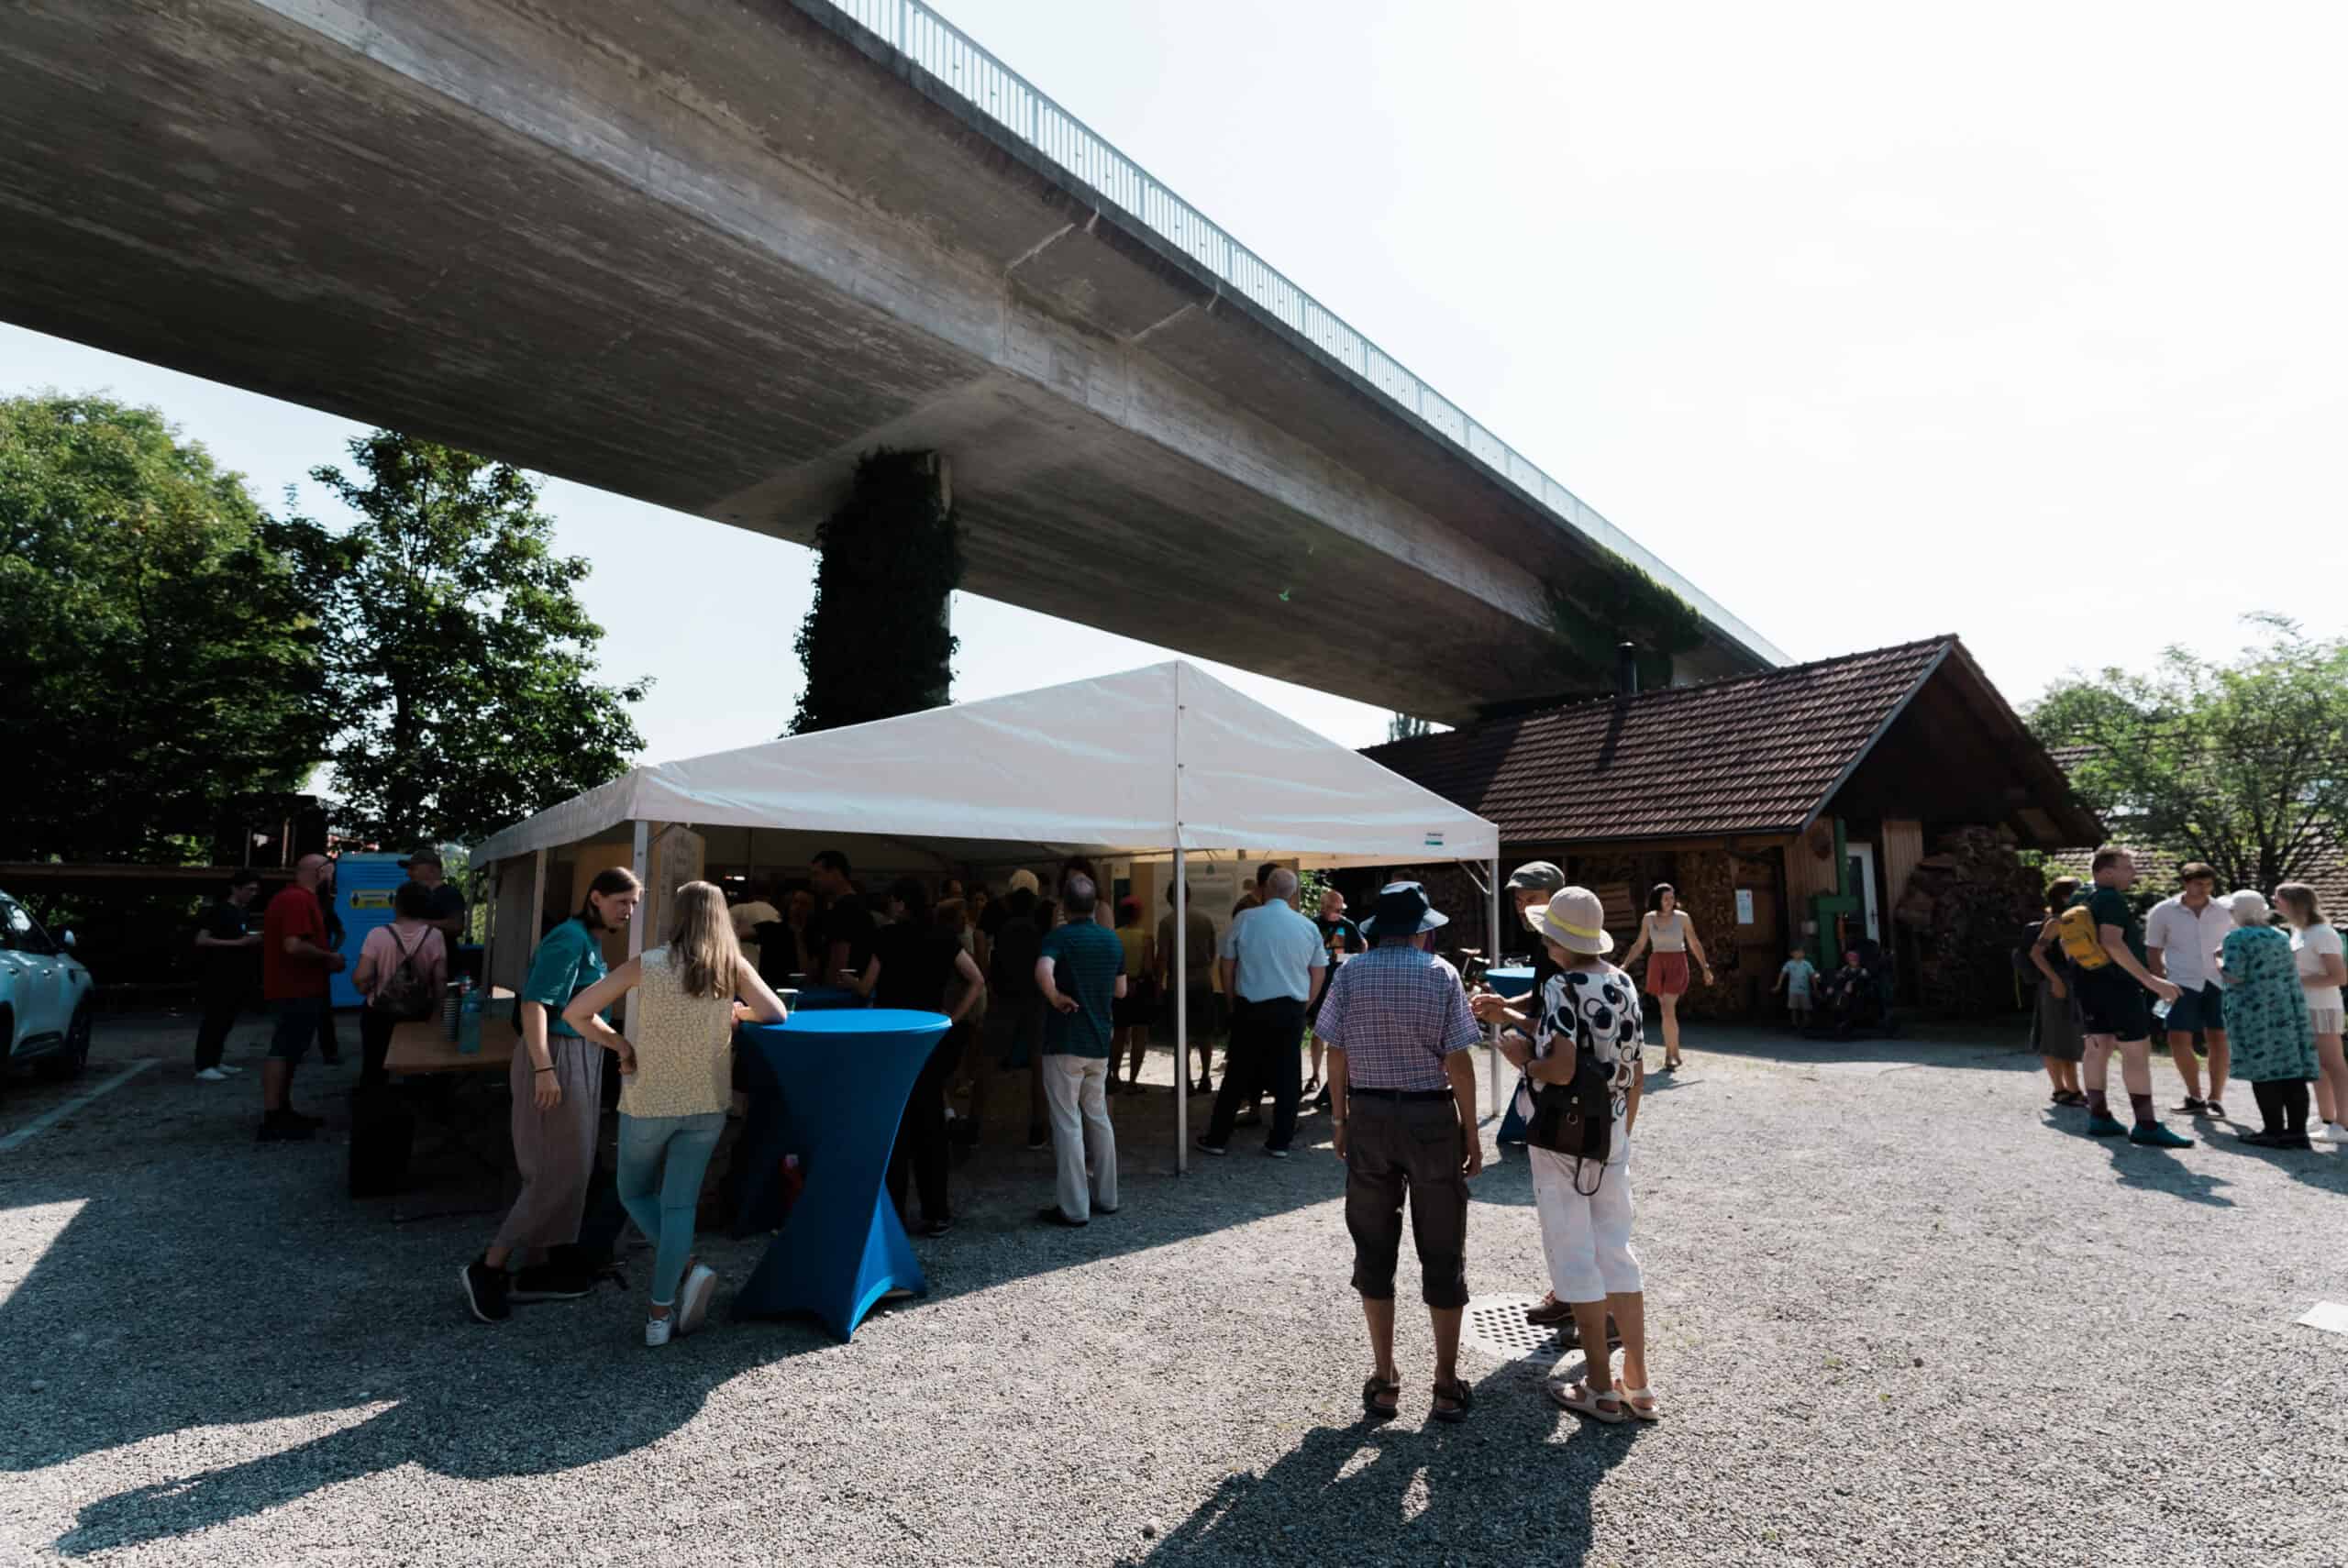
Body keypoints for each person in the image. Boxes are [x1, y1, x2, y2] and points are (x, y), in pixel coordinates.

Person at [561, 880, 790, 1344]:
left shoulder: (647, 964)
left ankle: (689, 1266)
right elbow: (776, 1013)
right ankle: (659, 1316)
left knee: (633, 1192)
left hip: (648, 1102)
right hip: (707, 1104)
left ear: (678, 916)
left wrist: (620, 1045)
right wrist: (736, 1012)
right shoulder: (731, 966)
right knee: (680, 1204)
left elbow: (576, 1014)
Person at [1316, 882, 1483, 1424]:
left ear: (1375, 929)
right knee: (1441, 1245)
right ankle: (1445, 1382)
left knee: (1372, 1242)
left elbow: (1335, 1053)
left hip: (1368, 1116)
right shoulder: (1441, 975)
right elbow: (1459, 1062)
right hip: (1430, 1117)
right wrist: (1472, 1133)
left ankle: (1385, 1378)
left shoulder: (1350, 974)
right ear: (1420, 930)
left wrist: (1339, 1118)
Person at [1491, 887, 1658, 1423]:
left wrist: (1522, 1059)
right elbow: (1632, 1068)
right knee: (1617, 1251)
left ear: (1554, 937)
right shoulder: (1623, 983)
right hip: (1610, 1132)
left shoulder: (1562, 985)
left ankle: (1599, 1386)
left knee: (1575, 1254)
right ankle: (1638, 1381)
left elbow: (1561, 1066)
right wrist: (1620, 1133)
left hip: (1563, 1136)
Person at [461, 866, 643, 1324]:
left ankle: (538, 1267)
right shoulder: (569, 937)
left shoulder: (589, 940)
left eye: (633, 904)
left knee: (569, 1167)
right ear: (596, 898)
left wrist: (619, 1044)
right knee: (556, 1172)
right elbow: (534, 1005)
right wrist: (544, 1068)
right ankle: (489, 1267)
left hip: (575, 1056)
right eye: (623, 902)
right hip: (556, 1058)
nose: (629, 911)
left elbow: (580, 1012)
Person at [851, 878, 984, 1236]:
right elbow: (976, 979)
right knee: (930, 1125)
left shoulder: (887, 937)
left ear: (900, 904)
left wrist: (847, 983)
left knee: (894, 1126)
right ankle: (936, 1212)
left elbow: (866, 986)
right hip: (929, 1036)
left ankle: (893, 1212)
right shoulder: (944, 937)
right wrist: (953, 1018)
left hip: (890, 1039)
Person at [2062, 848, 2188, 1146]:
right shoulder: (2111, 898)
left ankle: (2099, 1117)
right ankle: (2145, 1124)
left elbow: (2067, 943)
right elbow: (2112, 943)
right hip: (2119, 986)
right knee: (2136, 1052)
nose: (2133, 873)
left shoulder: (2081, 895)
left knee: (2096, 1047)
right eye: (2127, 867)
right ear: (2107, 872)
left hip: (2087, 982)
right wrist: (2152, 981)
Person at [1199, 869, 1324, 1159]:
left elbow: (1227, 965)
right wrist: (1304, 1004)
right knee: (1289, 1074)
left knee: (1237, 1074)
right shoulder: (1307, 927)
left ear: (1265, 888)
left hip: (1251, 1006)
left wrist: (1231, 1000)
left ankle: (1218, 1138)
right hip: (1291, 1007)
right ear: (1293, 893)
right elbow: (1317, 972)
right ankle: (1280, 1141)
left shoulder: (1245, 919)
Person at [1034, 874, 1125, 1226]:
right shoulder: (1111, 941)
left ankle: (1073, 1208)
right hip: (1099, 1042)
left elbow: (1043, 970)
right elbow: (1120, 991)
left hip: (1064, 1042)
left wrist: (1056, 996)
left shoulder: (1058, 938)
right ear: (1094, 905)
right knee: (1098, 1118)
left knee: (1067, 1122)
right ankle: (1108, 1196)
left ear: (1064, 905)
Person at [2216, 889, 2317, 1148]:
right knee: (2290, 1071)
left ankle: (2273, 1131)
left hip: (2254, 1011)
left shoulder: (2236, 938)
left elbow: (2235, 975)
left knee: (2263, 1070)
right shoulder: (2279, 935)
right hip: (2284, 1008)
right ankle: (2297, 1133)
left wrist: (2218, 960)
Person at [256, 853, 345, 1142]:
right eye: (330, 872)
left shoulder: (297, 899)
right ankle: (273, 1117)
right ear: (320, 872)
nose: (332, 878)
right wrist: (329, 957)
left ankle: (283, 1110)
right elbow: (293, 946)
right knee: (283, 1048)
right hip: (293, 988)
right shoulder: (297, 900)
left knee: (292, 1050)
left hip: (301, 988)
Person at [2144, 863, 2234, 1119]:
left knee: (2219, 1038)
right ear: (2185, 883)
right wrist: (2159, 981)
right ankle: (2194, 1095)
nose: (2204, 889)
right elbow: (2153, 949)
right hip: (2179, 982)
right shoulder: (2163, 911)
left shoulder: (2225, 911)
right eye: (2198, 884)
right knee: (2178, 1038)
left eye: (2208, 884)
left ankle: (2216, 1098)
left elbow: (2235, 945)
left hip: (2218, 981)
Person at [967, 871, 1045, 1150]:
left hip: (1003, 995)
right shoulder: (1044, 908)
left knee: (986, 1060)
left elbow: (978, 937)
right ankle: (1037, 1128)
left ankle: (974, 1125)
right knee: (1039, 1063)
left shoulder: (996, 907)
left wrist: (985, 974)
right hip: (1036, 995)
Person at [351, 879, 449, 1089]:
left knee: (374, 1067)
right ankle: (415, 1111)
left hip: (379, 1013)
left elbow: (362, 977)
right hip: (418, 1012)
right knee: (416, 1066)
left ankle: (373, 1114)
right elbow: (440, 979)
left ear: (397, 905)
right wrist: (437, 1012)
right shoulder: (435, 936)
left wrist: (364, 988)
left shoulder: (377, 934)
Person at [2276, 883, 2348, 1143]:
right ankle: (2327, 1118)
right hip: (2304, 1007)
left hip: (2323, 1008)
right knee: (2317, 1066)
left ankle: (2344, 1124)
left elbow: (2339, 976)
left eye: (2278, 899)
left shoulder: (2322, 933)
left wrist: (2294, 982)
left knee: (2335, 1065)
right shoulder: (2298, 932)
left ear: (2293, 902)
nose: (2274, 903)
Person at [1619, 884, 1711, 1072]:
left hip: (1677, 962)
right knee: (1665, 1010)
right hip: (1657, 963)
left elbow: (1694, 942)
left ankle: (1670, 1056)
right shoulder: (1648, 919)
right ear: (1657, 900)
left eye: (1672, 897)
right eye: (1666, 898)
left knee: (1668, 1007)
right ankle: (1674, 1053)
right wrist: (1625, 965)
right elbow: (1639, 945)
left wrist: (1705, 968)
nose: (1670, 901)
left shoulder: (1683, 918)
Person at [192, 868, 264, 1082]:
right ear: (235, 888)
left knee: (226, 1019)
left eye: (255, 890)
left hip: (236, 974)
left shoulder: (242, 911)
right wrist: (238, 943)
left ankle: (214, 1060)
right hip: (218, 974)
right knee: (214, 1019)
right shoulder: (220, 910)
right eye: (249, 889)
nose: (253, 894)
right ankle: (203, 1065)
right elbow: (201, 939)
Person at [2025, 878, 2088, 1109]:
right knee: (2059, 1038)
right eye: (2079, 891)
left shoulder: (2078, 919)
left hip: (2069, 984)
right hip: (2056, 986)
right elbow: (2036, 953)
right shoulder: (2057, 922)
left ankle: (2065, 1090)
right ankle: (2069, 1090)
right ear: (2064, 897)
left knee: (2062, 1036)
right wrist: (2055, 981)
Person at [1160, 879, 1220, 1095]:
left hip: (1179, 983)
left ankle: (1185, 1081)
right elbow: (1213, 952)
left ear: (1169, 898)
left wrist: (1159, 982)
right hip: (1203, 981)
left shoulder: (1167, 922)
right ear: (1188, 895)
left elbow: (1163, 957)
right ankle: (1205, 1077)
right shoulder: (1205, 920)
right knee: (1205, 1033)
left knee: (1181, 1035)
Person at [1305, 886, 1365, 1096]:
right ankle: (1314, 1075)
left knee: (1338, 1037)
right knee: (1317, 1033)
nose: (1340, 914)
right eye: (1336, 910)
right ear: (1324, 907)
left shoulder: (1347, 925)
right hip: (1317, 986)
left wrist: (1346, 961)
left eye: (1341, 910)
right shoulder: (1312, 925)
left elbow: (1362, 947)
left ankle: (1335, 1082)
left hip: (1340, 986)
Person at [1109, 897, 1158, 1094]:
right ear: (1138, 914)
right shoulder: (1146, 938)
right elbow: (1148, 967)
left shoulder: (1114, 936)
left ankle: (1114, 1076)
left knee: (1119, 1034)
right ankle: (1132, 1081)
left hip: (1120, 987)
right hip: (1141, 989)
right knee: (1140, 1036)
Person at [810, 849, 877, 982]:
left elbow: (839, 959)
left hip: (840, 993)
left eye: (817, 874)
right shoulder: (854, 905)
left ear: (836, 874)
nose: (813, 880)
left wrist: (829, 991)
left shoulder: (845, 908)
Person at [400, 848, 469, 975]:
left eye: (413, 868)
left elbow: (456, 926)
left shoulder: (450, 894)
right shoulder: (414, 897)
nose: (408, 873)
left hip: (444, 970)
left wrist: (420, 923)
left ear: (432, 869)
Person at [1774, 946, 1819, 1029]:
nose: (1800, 954)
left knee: (1806, 1008)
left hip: (1805, 990)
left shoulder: (1807, 964)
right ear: (1792, 954)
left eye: (1801, 952)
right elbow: (1782, 974)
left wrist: (1815, 988)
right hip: (1793, 990)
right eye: (1797, 952)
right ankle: (1794, 1023)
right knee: (1793, 1008)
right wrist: (1778, 985)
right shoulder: (1789, 964)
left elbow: (1813, 976)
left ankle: (1806, 1023)